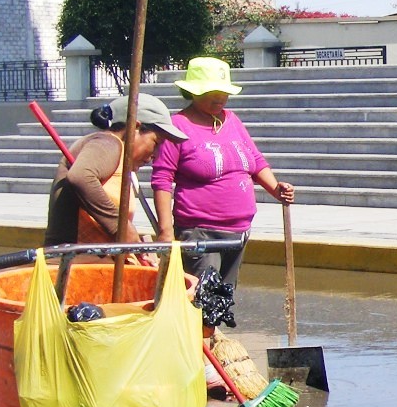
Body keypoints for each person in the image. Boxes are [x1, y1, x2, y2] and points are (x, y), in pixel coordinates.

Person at [151, 57, 294, 313]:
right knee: (204, 301)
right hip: (201, 231)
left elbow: (255, 161)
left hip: (239, 230)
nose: (219, 98)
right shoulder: (178, 127)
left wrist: (275, 188)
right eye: (210, 93)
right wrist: (165, 230)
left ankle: (215, 343)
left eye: (223, 92)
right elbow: (162, 179)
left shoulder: (232, 120)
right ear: (193, 92)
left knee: (223, 300)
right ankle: (199, 348)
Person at [44, 93, 188, 251]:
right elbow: (80, 175)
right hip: (72, 263)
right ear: (135, 127)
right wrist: (119, 226)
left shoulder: (119, 160)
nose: (156, 155)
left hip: (93, 262)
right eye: (156, 143)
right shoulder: (108, 143)